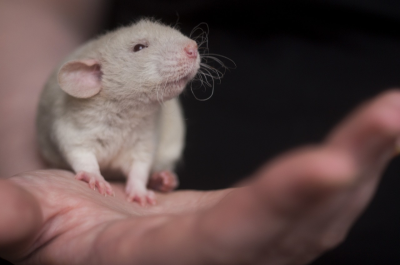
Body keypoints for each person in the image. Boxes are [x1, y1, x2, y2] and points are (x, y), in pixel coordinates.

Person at [1, 1, 400, 264]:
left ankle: (160, 173)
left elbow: (143, 146)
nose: (192, 48)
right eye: (140, 48)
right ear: (93, 76)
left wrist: (138, 184)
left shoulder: (154, 109)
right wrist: (33, 153)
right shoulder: (83, 87)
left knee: (149, 144)